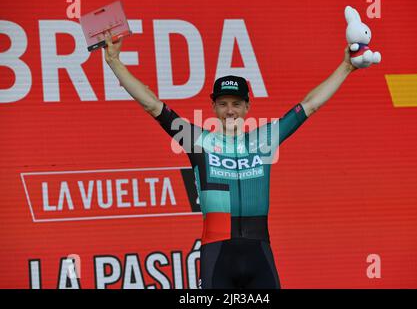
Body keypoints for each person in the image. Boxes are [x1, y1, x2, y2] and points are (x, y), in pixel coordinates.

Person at [103, 30, 357, 289]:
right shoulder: (198, 141)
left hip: (259, 252)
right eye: (223, 103)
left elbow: (310, 105)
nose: (230, 111)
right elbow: (152, 105)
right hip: (217, 255)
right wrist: (114, 62)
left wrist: (346, 66)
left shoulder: (264, 140)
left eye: (236, 103)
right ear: (213, 106)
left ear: (247, 107)